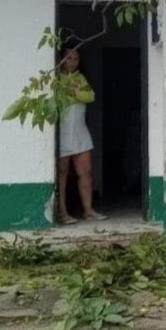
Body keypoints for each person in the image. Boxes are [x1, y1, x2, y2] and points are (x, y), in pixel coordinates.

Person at [57, 46, 107, 224]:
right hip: (61, 132)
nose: (72, 62)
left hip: (80, 131)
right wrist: (76, 93)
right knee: (62, 173)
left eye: (76, 58)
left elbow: (90, 96)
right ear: (61, 59)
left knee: (86, 171)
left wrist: (72, 92)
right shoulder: (56, 79)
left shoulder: (80, 78)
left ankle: (88, 210)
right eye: (68, 58)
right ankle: (62, 212)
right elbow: (60, 97)